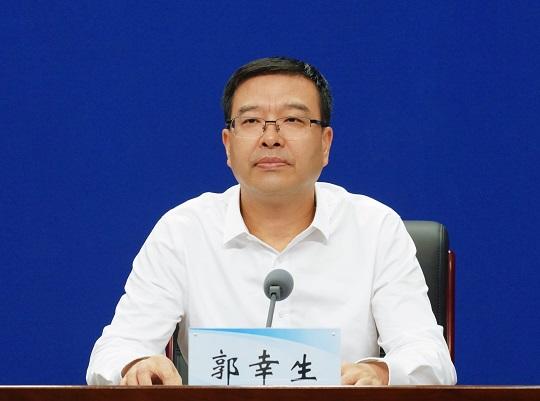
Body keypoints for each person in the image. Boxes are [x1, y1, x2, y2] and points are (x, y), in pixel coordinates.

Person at [87, 57, 457, 386]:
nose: (271, 138)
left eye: (293, 120)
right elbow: (115, 349)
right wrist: (136, 365)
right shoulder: (183, 231)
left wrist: (380, 373)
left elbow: (430, 356)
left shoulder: (375, 228)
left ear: (325, 143)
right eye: (251, 121)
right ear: (228, 144)